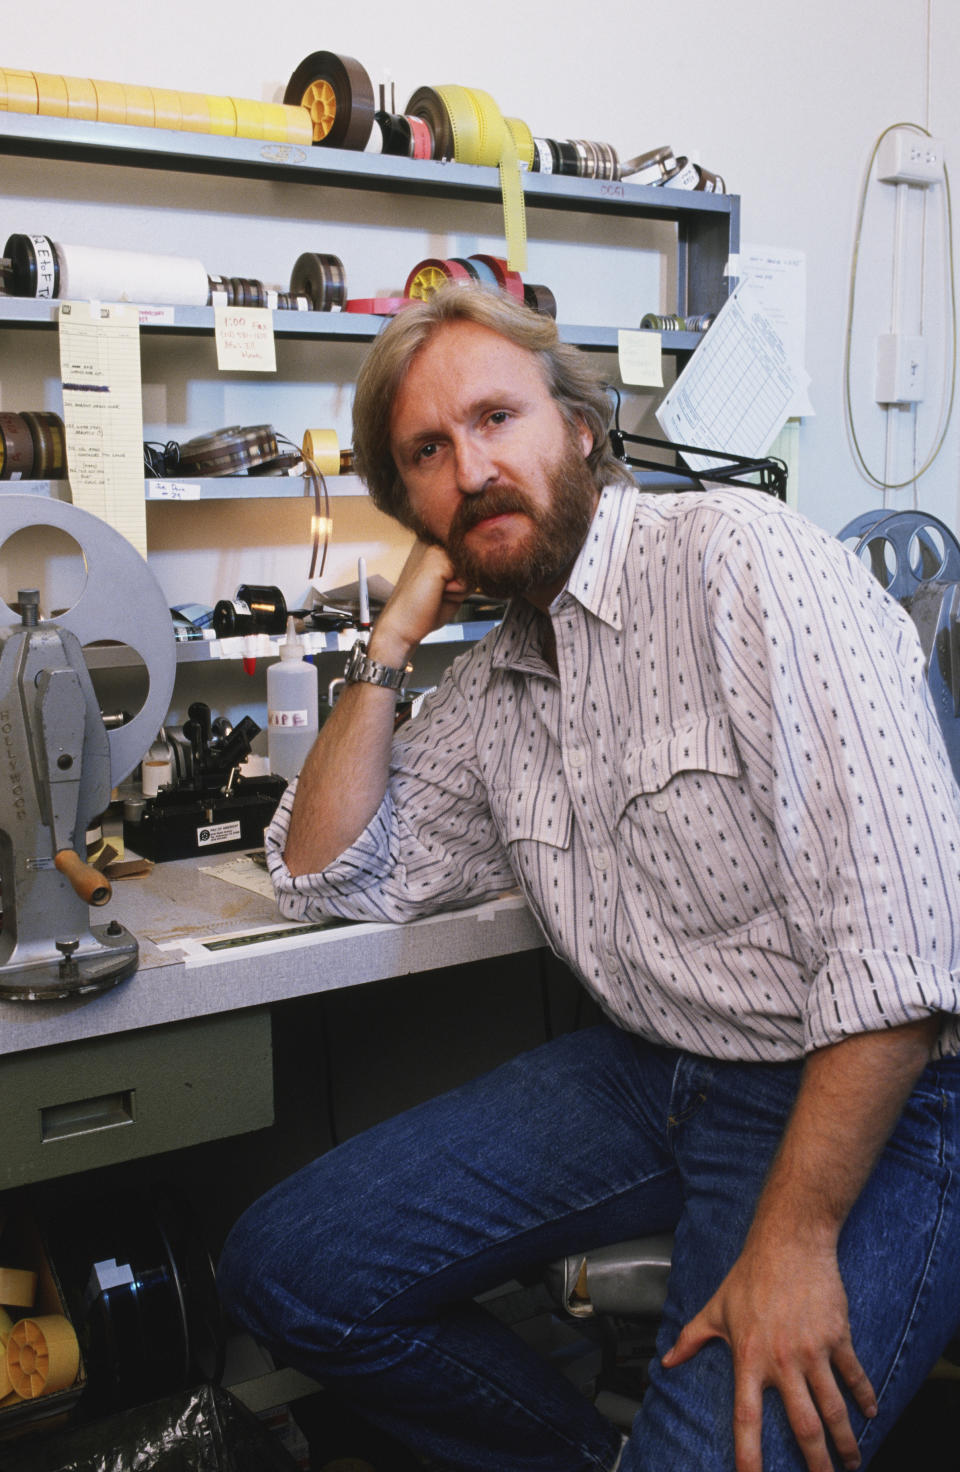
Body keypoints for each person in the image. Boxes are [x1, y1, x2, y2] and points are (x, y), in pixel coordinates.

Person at [217, 284, 960, 1472]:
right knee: (288, 1268)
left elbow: (909, 950)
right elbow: (327, 871)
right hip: (654, 1072)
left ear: (577, 424)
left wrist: (794, 1239)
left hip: (878, 1094)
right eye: (428, 451)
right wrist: (389, 643)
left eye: (496, 417)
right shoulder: (499, 676)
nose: (472, 467)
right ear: (410, 504)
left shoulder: (739, 563)